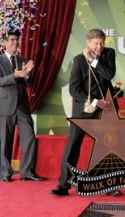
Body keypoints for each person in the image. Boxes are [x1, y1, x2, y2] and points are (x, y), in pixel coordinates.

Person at [50, 28, 117, 196]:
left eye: (102, 43)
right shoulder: (78, 60)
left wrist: (93, 59)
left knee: (108, 146)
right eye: (96, 44)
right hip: (84, 109)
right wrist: (95, 102)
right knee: (72, 146)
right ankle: (63, 184)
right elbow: (74, 89)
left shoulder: (109, 53)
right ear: (88, 43)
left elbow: (109, 74)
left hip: (106, 109)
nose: (100, 47)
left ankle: (109, 185)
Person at [0, 30, 43, 182]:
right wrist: (15, 75)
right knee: (6, 141)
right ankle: (6, 172)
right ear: (4, 43)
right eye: (12, 40)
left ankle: (26, 172)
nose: (15, 42)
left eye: (16, 40)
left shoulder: (23, 60)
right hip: (5, 105)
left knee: (29, 137)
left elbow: (30, 84)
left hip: (22, 106)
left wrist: (26, 75)